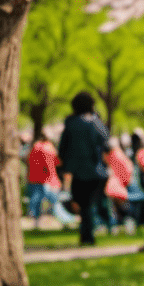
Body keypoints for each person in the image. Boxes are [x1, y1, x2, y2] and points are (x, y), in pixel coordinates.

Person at [56, 92, 111, 246]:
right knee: (90, 203)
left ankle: (87, 235)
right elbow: (106, 144)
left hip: (78, 171)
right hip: (97, 171)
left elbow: (63, 148)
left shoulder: (71, 123)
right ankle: (89, 233)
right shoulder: (97, 123)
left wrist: (63, 167)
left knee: (83, 203)